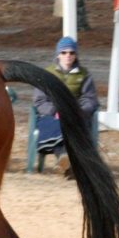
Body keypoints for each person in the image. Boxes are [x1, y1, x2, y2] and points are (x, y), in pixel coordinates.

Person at [32, 36, 99, 174]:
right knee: (58, 126)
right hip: (52, 114)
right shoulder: (47, 74)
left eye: (71, 52)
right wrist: (54, 111)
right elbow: (39, 100)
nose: (68, 56)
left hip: (77, 114)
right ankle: (65, 160)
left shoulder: (84, 75)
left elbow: (90, 99)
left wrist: (80, 111)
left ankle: (65, 162)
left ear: (75, 55)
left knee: (74, 126)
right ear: (58, 54)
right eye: (64, 52)